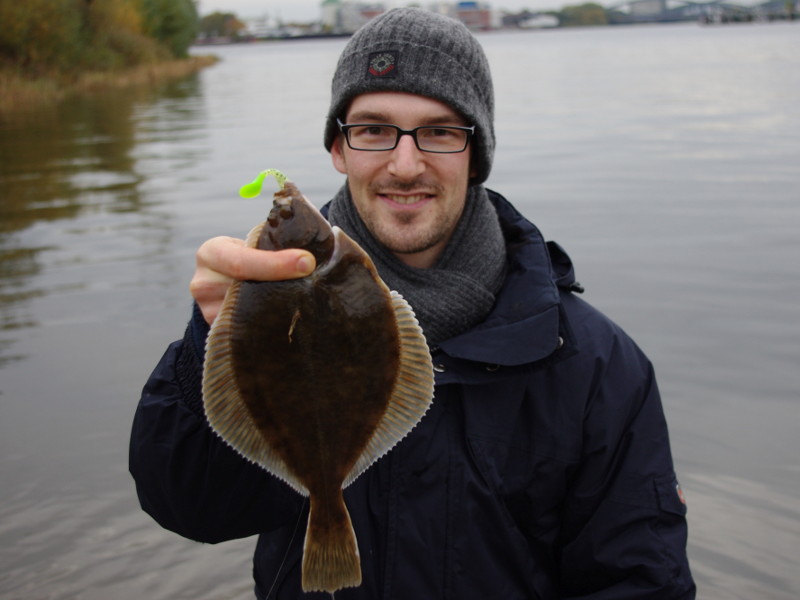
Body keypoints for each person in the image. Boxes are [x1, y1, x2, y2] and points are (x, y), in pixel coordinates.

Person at [129, 8, 695, 599]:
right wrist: (210, 341)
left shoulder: (597, 366)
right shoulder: (258, 308)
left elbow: (640, 584)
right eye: (373, 129)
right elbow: (191, 507)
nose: (405, 164)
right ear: (337, 149)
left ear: (475, 154)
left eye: (440, 132)